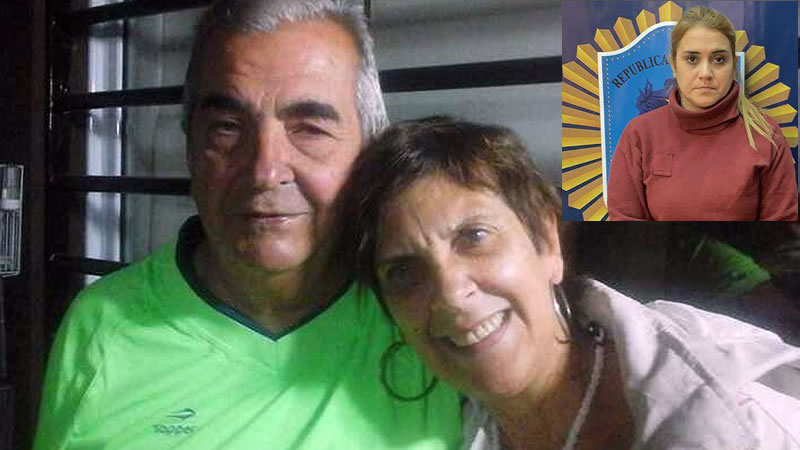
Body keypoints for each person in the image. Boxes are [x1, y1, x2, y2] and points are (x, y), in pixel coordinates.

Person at [33, 1, 461, 449]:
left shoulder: (432, 316)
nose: (264, 171)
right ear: (191, 147)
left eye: (310, 129)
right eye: (227, 127)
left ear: (368, 150)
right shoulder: (104, 326)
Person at [340, 116, 800, 449]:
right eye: (403, 271)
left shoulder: (736, 419)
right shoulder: (452, 425)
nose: (449, 293)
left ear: (546, 241)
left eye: (474, 237)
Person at [607, 6, 798, 221]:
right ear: (673, 64)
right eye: (692, 59)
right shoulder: (639, 134)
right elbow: (625, 223)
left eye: (719, 60)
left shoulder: (766, 135)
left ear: (733, 65)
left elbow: (781, 227)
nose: (705, 73)